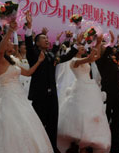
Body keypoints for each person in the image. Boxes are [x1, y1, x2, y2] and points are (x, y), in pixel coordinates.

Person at [0, 20, 52, 153]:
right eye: (9, 42)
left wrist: (39, 62)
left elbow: (28, 73)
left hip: (20, 97)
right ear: (3, 45)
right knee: (11, 125)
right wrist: (10, 31)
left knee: (28, 125)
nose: (12, 43)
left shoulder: (13, 61)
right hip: (8, 98)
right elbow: (1, 50)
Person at [24, 12, 78, 152]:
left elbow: (67, 57)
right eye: (43, 38)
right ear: (37, 43)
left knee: (53, 123)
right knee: (39, 123)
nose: (47, 40)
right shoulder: (34, 54)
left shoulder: (52, 55)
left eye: (47, 38)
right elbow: (29, 45)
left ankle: (52, 148)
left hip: (52, 95)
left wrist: (77, 46)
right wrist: (29, 29)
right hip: (39, 95)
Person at [58, 34, 111, 153]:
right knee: (81, 115)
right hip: (80, 89)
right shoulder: (73, 61)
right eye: (80, 46)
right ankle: (79, 144)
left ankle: (87, 143)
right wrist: (91, 53)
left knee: (91, 115)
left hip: (90, 88)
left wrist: (98, 42)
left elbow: (95, 57)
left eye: (83, 46)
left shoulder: (85, 59)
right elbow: (90, 59)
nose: (82, 48)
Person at [97, 28, 119, 153]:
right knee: (106, 121)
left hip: (117, 92)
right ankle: (104, 147)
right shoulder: (100, 59)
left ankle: (115, 148)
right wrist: (110, 41)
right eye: (103, 43)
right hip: (106, 93)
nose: (107, 46)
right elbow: (107, 51)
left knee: (118, 121)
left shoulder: (112, 58)